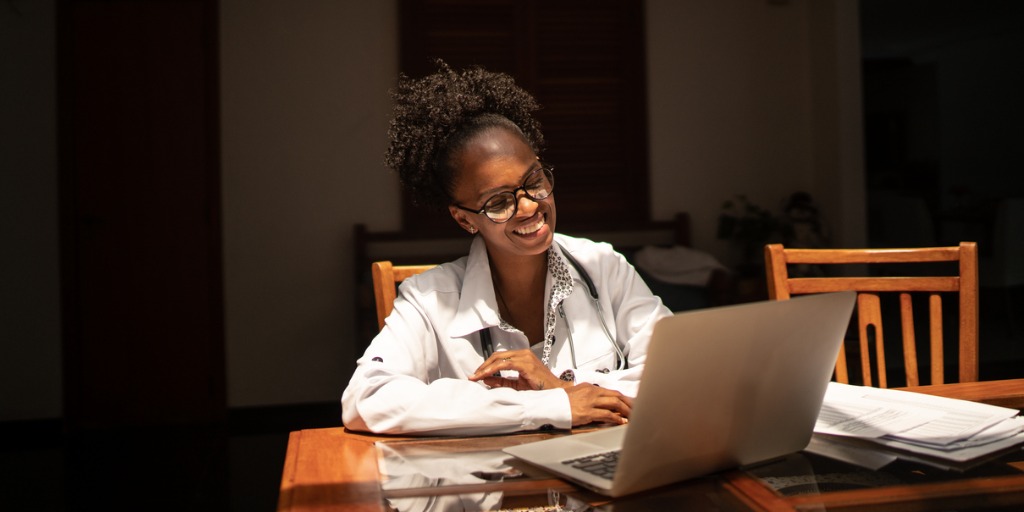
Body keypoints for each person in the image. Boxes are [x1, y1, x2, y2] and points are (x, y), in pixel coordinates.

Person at [341, 61, 672, 436]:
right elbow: (367, 398)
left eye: (534, 181)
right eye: (498, 202)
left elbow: (680, 375)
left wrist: (562, 386)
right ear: (465, 219)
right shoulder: (428, 300)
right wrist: (548, 405)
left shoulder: (603, 267)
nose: (530, 206)